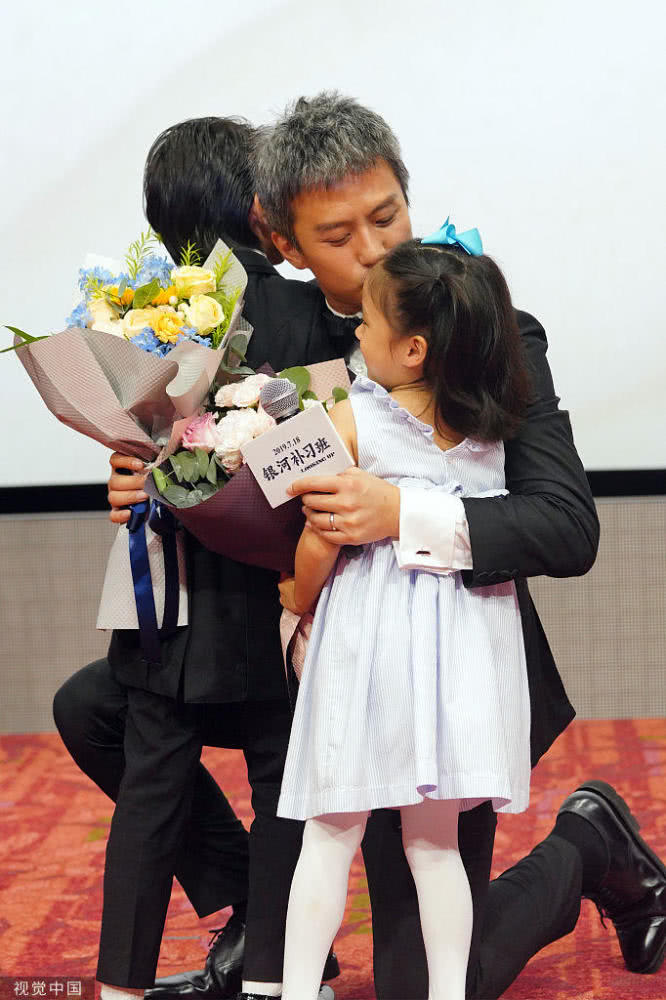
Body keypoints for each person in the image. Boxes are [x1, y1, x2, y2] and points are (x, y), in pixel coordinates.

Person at [87, 94, 665, 999]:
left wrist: (403, 512)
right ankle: (253, 911)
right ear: (280, 240)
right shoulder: (247, 331)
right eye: (338, 233)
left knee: (426, 980)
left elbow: (565, 525)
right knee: (95, 707)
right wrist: (149, 481)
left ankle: (584, 845)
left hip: (441, 674)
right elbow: (205, 457)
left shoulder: (488, 327)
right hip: (311, 658)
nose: (374, 248)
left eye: (387, 215)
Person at [53, 115, 342, 1000]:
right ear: (262, 206)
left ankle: (119, 986)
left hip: (171, 614)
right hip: (285, 597)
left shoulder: (143, 324)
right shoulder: (307, 312)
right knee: (280, 780)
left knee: (151, 790)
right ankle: (276, 980)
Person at [276, 233, 534, 1000]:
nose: (356, 333)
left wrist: (295, 596)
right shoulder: (489, 432)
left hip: (371, 643)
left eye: (366, 322)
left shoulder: (354, 420)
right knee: (437, 844)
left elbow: (320, 536)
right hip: (462, 650)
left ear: (413, 348)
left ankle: (297, 991)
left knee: (330, 834)